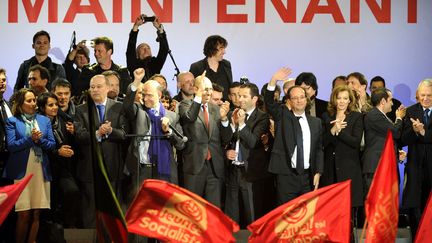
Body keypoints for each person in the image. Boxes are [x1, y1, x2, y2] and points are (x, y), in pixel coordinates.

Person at [3, 88, 56, 243]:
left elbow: (52, 145)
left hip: (41, 170)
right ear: (20, 104)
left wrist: (39, 141)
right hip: (22, 172)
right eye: (29, 100)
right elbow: (12, 146)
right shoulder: (13, 121)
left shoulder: (44, 120)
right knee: (23, 213)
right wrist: (30, 139)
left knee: (36, 213)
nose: (33, 103)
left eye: (34, 100)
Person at [264, 67, 323, 205]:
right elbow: (269, 102)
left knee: (306, 216)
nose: (299, 100)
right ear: (289, 101)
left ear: (307, 99)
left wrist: (318, 172)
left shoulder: (316, 123)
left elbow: (319, 149)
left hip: (308, 177)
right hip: (286, 175)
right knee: (286, 216)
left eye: (302, 97)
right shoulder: (283, 116)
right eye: (295, 98)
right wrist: (273, 80)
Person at [74, 75, 127, 228]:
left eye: (98, 86)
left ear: (108, 87)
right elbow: (79, 136)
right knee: (90, 211)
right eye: (92, 87)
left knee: (112, 213)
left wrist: (110, 131)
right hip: (89, 169)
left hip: (113, 168)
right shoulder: (80, 110)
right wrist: (98, 133)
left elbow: (124, 134)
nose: (95, 90)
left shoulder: (119, 107)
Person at [221, 82, 273, 226]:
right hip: (233, 171)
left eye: (244, 96)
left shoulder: (262, 117)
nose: (240, 99)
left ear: (254, 99)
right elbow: (225, 139)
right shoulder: (233, 113)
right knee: (231, 215)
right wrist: (226, 121)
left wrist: (242, 124)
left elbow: (253, 142)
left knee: (252, 214)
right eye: (238, 96)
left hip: (251, 173)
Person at [179, 73, 230, 208]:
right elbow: (190, 118)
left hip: (215, 166)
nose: (207, 92)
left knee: (214, 208)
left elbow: (225, 139)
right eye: (204, 88)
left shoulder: (215, 109)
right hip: (195, 164)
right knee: (192, 208)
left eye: (209, 89)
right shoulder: (185, 105)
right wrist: (197, 98)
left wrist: (224, 120)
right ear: (195, 89)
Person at [321, 85, 364, 224]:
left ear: (350, 100)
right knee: (331, 211)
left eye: (345, 98)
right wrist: (333, 129)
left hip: (349, 170)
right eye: (339, 98)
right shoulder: (327, 116)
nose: (342, 101)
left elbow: (356, 142)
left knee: (348, 213)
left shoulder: (356, 117)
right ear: (334, 99)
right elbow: (323, 142)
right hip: (330, 171)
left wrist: (340, 131)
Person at [37, 93, 80, 229]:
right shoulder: (37, 123)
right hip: (44, 168)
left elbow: (71, 143)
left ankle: (68, 227)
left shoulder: (63, 120)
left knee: (72, 191)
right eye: (50, 105)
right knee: (48, 204)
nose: (55, 107)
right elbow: (39, 147)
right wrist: (57, 152)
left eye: (56, 104)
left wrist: (73, 133)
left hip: (63, 168)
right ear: (43, 108)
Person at [401, 79, 432, 238]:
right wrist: (414, 131)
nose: (426, 98)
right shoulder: (411, 111)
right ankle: (417, 237)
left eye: (429, 95)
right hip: (415, 167)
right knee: (415, 206)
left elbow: (426, 135)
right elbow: (403, 139)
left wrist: (423, 133)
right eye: (422, 95)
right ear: (417, 96)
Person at [362, 87, 405, 192]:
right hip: (376, 168)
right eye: (390, 100)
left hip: (383, 167)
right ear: (382, 101)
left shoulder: (383, 117)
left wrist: (397, 154)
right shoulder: (374, 115)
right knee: (376, 203)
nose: (392, 104)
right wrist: (399, 118)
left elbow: (384, 139)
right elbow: (395, 132)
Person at [126, 14, 168, 81]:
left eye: (148, 48)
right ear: (137, 54)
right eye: (142, 48)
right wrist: (136, 26)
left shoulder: (156, 63)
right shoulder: (133, 64)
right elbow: (130, 48)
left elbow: (164, 50)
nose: (146, 49)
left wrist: (160, 29)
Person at [190, 35, 232, 100]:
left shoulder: (226, 65)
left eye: (224, 48)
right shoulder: (197, 67)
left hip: (225, 107)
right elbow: (194, 91)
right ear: (212, 49)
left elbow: (229, 88)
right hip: (205, 108)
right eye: (221, 48)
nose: (224, 52)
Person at [0, 68, 15, 242]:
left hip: (9, 162)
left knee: (8, 206)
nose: (1, 82)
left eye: (3, 79)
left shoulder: (7, 104)